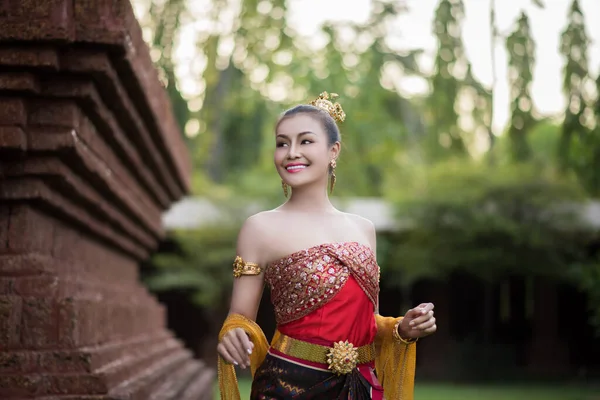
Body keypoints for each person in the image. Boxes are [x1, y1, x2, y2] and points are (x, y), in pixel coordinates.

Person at [217, 92, 437, 399]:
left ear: (334, 150)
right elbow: (240, 316)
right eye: (282, 143)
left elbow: (366, 323)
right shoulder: (259, 227)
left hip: (360, 387)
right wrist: (234, 333)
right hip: (287, 386)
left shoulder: (364, 229)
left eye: (305, 141)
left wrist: (402, 330)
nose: (291, 152)